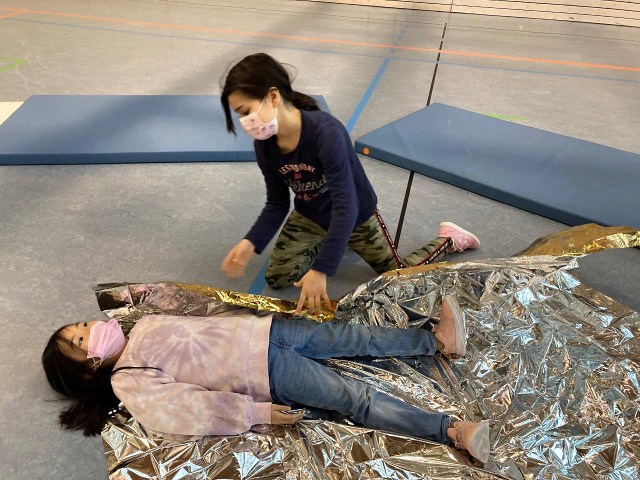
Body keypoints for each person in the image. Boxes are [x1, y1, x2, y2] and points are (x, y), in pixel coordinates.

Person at [42, 295, 490, 462]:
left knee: (350, 335)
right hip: (266, 371)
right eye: (81, 340)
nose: (90, 328)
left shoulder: (142, 325)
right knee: (353, 398)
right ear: (89, 366)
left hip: (268, 333)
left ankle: (436, 341)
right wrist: (255, 412)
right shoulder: (127, 379)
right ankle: (451, 431)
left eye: (81, 325)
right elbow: (187, 409)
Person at [220, 53, 480, 314]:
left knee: (397, 276)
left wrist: (321, 268)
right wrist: (250, 242)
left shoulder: (325, 133)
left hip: (356, 216)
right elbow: (277, 203)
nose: (246, 123)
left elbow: (347, 205)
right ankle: (335, 239)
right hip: (310, 216)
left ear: (273, 96)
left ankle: (448, 239)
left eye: (246, 112)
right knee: (277, 277)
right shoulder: (265, 146)